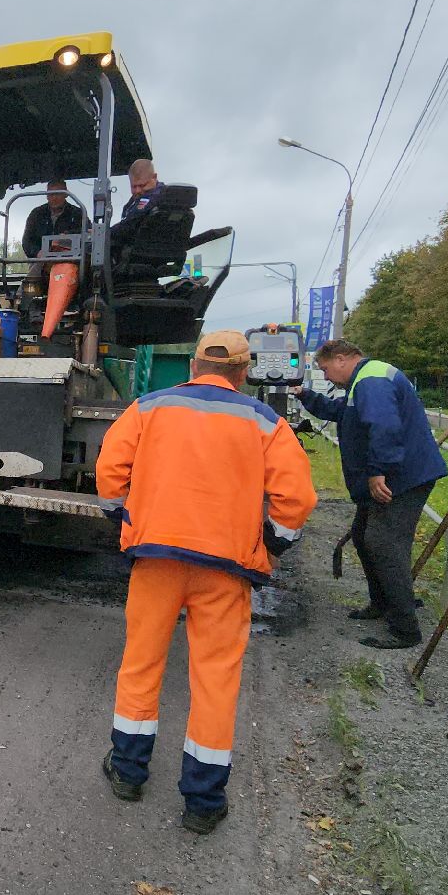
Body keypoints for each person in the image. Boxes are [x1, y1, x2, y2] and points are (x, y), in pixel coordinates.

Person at [95, 330, 316, 833]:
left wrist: (125, 519)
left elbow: (110, 471)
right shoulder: (266, 422)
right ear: (243, 373)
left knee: (141, 663)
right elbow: (297, 499)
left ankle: (127, 771)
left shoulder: (149, 408)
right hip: (226, 569)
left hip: (157, 560)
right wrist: (272, 545)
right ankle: (203, 801)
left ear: (194, 367)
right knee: (215, 679)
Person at [293, 339, 448, 650]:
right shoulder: (362, 381)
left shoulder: (372, 380)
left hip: (401, 478)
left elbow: (385, 426)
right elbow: (341, 412)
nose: (326, 376)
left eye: (325, 369)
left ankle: (405, 628)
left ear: (341, 359)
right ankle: (383, 603)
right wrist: (305, 395)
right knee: (365, 538)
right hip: (396, 474)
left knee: (383, 544)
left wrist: (378, 471)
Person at [20, 180, 86, 259]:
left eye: (58, 193)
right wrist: (37, 253)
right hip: (40, 260)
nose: (54, 198)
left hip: (70, 259)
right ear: (47, 196)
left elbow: (87, 233)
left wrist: (66, 235)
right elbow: (27, 241)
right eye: (51, 194)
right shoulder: (36, 214)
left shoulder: (77, 213)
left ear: (66, 194)